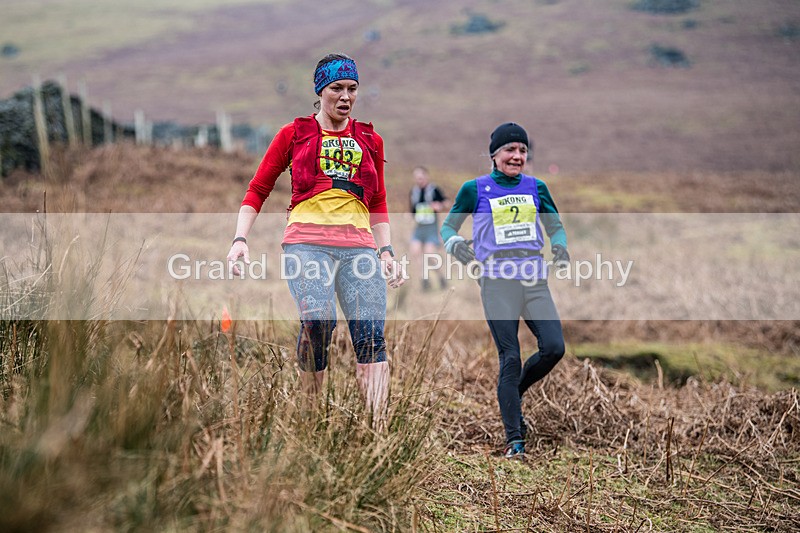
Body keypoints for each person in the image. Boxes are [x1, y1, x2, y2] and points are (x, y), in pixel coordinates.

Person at [226, 53, 404, 425]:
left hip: (359, 247)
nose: (345, 96)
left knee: (370, 334)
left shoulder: (371, 139)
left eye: (352, 89)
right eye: (336, 88)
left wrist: (386, 250)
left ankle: (378, 431)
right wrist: (240, 239)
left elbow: (379, 200)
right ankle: (311, 417)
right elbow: (258, 188)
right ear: (320, 90)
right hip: (306, 243)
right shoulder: (294, 134)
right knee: (319, 323)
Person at [440, 122, 569, 459]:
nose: (517, 156)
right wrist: (454, 244)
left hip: (533, 280)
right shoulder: (475, 189)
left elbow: (555, 225)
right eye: (510, 150)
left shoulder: (536, 187)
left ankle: (515, 391)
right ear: (494, 155)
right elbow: (448, 226)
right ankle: (516, 441)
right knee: (510, 357)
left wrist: (560, 246)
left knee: (554, 347)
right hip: (496, 282)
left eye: (523, 151)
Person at [409, 166, 448, 291]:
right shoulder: (413, 192)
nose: (419, 180)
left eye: (421, 178)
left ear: (426, 176)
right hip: (419, 228)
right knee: (415, 252)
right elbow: (413, 210)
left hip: (431, 228)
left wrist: (439, 206)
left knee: (430, 255)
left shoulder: (434, 190)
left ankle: (441, 277)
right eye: (417, 178)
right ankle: (424, 281)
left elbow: (446, 202)